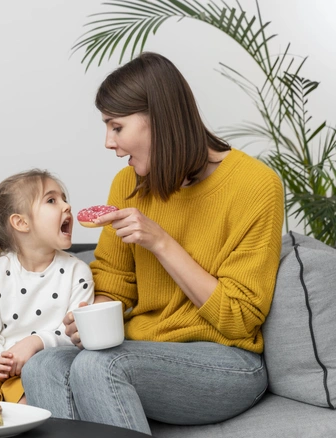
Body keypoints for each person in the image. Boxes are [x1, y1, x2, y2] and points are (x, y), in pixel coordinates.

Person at [21, 52, 284, 435]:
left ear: (157, 119)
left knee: (101, 366)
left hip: (228, 361)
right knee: (43, 365)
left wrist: (162, 242)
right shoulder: (127, 185)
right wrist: (92, 318)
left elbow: (240, 318)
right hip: (141, 349)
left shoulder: (256, 186)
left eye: (117, 127)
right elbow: (113, 282)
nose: (109, 143)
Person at [0, 169, 95, 404]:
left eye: (65, 198)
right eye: (52, 200)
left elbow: (75, 334)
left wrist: (35, 344)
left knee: (25, 402)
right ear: (21, 222)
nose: (67, 206)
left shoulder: (78, 272)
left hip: (41, 363)